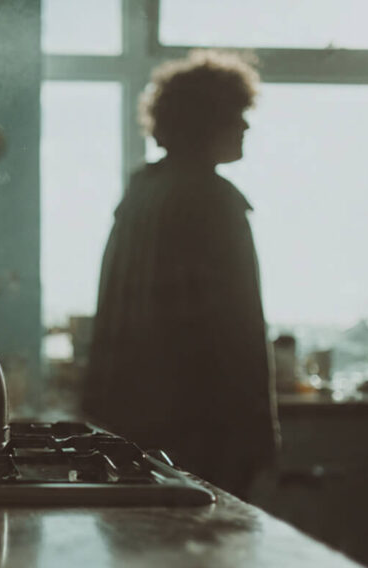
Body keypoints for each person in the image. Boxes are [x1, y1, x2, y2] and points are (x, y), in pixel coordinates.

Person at [82, 50, 280, 498]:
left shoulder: (141, 195)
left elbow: (108, 309)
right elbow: (241, 327)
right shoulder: (215, 201)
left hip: (132, 423)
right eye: (237, 115)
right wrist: (259, 436)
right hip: (202, 431)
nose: (245, 127)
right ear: (206, 121)